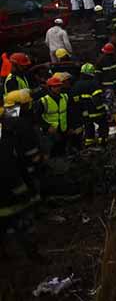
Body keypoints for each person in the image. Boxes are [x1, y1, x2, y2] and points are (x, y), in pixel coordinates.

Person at [0, 89, 44, 262]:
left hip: (10, 183)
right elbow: (25, 155)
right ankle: (32, 254)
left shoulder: (12, 127)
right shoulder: (15, 127)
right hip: (14, 184)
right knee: (23, 221)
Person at [74, 64, 108, 147]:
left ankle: (89, 145)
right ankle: (102, 143)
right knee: (103, 126)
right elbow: (97, 100)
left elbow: (76, 100)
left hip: (84, 113)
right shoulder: (94, 84)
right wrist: (103, 109)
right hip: (96, 112)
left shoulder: (76, 85)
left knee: (88, 128)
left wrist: (81, 111)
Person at [35, 76, 69, 156]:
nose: (58, 88)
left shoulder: (65, 97)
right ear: (50, 88)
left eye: (59, 86)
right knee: (51, 153)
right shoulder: (44, 101)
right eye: (55, 86)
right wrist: (47, 127)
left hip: (63, 130)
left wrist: (70, 126)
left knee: (62, 152)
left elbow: (69, 113)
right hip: (50, 133)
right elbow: (37, 117)